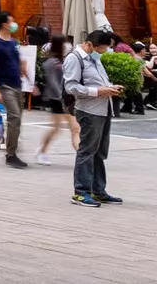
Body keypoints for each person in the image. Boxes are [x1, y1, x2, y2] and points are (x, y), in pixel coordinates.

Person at [63, 29, 125, 208]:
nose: (103, 53)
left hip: (103, 109)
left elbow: (98, 81)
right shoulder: (74, 59)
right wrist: (99, 91)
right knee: (87, 151)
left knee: (99, 152)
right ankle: (81, 192)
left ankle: (98, 191)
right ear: (90, 45)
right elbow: (71, 87)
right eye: (102, 49)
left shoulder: (94, 59)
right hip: (89, 111)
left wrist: (110, 87)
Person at [0, 12, 28, 168]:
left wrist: (25, 72)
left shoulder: (13, 42)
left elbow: (19, 61)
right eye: (11, 21)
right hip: (5, 86)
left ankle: (12, 148)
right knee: (14, 116)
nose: (14, 24)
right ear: (4, 24)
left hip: (17, 84)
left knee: (17, 120)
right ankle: (10, 154)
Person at [35, 36, 77, 167]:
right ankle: (42, 151)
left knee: (73, 128)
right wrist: (61, 96)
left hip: (66, 98)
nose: (67, 45)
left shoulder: (65, 59)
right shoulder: (50, 62)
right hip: (57, 99)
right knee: (58, 128)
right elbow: (52, 82)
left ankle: (82, 156)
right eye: (65, 43)